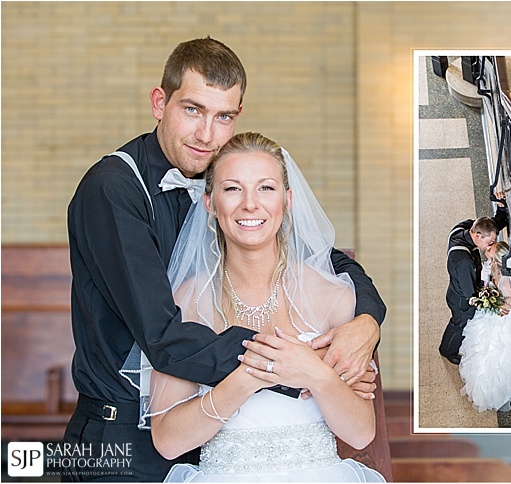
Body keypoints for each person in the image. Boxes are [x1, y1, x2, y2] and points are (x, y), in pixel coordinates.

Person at [65, 38, 384, 481]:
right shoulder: (114, 190)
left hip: (210, 445)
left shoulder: (224, 183)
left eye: (224, 117)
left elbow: (328, 260)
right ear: (160, 103)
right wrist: (303, 368)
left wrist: (365, 322)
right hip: (120, 437)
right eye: (192, 110)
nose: (206, 134)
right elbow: (164, 337)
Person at [148, 132, 384, 481]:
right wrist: (246, 379)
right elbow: (167, 440)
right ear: (210, 204)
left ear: (287, 200)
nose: (250, 204)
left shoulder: (333, 296)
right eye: (232, 189)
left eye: (266, 188)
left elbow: (361, 433)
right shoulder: (186, 302)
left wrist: (315, 372)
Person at [439, 196, 509, 364]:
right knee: (458, 323)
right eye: (490, 242)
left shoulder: (462, 229)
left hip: (459, 287)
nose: (491, 245)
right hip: (461, 300)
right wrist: (495, 306)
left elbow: (490, 226)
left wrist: (501, 208)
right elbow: (470, 294)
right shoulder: (464, 261)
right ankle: (447, 350)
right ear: (477, 236)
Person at [458, 241, 511, 412]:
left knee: (494, 350)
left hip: (503, 316)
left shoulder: (507, 279)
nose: (487, 253)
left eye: (491, 253)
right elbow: (488, 284)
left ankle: (493, 391)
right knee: (480, 346)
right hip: (493, 310)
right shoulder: (493, 267)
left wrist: (497, 305)